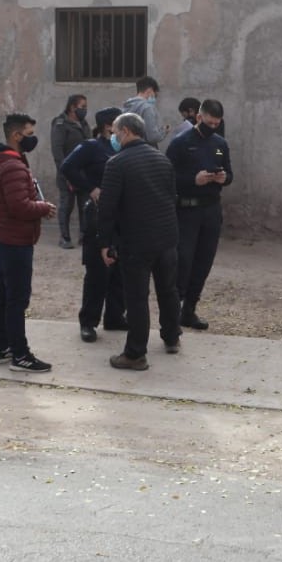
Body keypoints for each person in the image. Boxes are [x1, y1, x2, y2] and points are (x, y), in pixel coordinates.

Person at [97, 112, 181, 371]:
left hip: (137, 242)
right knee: (168, 290)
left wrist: (104, 243)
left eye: (115, 132)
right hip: (167, 238)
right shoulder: (162, 159)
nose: (113, 136)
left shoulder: (117, 163)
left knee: (136, 298)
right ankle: (171, 337)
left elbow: (107, 209)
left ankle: (135, 354)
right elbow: (171, 197)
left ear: (125, 132)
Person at [0, 113, 58, 373]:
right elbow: (19, 206)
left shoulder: (4, 161)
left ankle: (1, 348)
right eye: (29, 134)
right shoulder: (13, 166)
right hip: (14, 241)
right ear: (16, 136)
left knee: (2, 295)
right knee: (16, 299)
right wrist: (42, 207)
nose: (32, 139)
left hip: (3, 236)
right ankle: (20, 355)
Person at [60, 106, 127, 343]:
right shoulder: (91, 147)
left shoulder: (125, 148)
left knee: (120, 271)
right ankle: (88, 322)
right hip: (98, 216)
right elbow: (67, 167)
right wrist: (90, 188)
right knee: (98, 272)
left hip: (122, 216)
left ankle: (115, 316)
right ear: (108, 126)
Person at [166, 98, 232, 331]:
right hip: (186, 210)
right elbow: (167, 177)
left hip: (211, 209)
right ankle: (173, 314)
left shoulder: (220, 144)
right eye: (209, 122)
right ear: (199, 117)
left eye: (217, 123)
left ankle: (190, 310)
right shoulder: (180, 143)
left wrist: (223, 178)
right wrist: (193, 180)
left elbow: (230, 174)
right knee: (183, 261)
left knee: (204, 261)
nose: (212, 127)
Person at [50, 93, 91, 249]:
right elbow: (57, 151)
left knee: (84, 205)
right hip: (67, 172)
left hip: (83, 172)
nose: (85, 110)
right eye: (82, 107)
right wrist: (65, 172)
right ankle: (65, 237)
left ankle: (84, 235)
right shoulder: (60, 124)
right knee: (67, 204)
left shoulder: (83, 123)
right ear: (72, 107)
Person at [122, 76, 169, 148]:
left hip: (128, 149)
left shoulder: (127, 106)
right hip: (144, 151)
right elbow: (152, 137)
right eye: (155, 95)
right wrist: (164, 131)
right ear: (149, 91)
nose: (155, 98)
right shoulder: (147, 108)